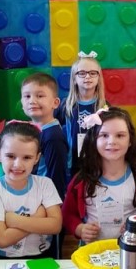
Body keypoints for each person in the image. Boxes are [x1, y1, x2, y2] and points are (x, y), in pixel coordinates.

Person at [62, 107, 136, 242]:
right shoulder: (81, 180)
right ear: (94, 139)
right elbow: (67, 214)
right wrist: (80, 229)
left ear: (130, 140)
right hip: (93, 251)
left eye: (120, 135)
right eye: (104, 135)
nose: (112, 141)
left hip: (130, 251)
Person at [0, 121, 62, 258]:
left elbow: (55, 226)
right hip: (5, 260)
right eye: (10, 156)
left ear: (37, 158)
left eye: (27, 157)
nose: (18, 165)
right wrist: (39, 217)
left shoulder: (45, 184)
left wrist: (16, 221)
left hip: (42, 256)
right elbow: (2, 240)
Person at [56, 50, 108, 181]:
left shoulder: (104, 107)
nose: (87, 77)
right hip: (72, 163)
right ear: (74, 78)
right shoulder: (65, 106)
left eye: (93, 73)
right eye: (82, 73)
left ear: (99, 78)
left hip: (98, 162)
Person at [21, 72, 68, 201]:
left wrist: (53, 205)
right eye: (27, 96)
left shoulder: (53, 137)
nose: (32, 101)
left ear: (55, 103)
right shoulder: (32, 129)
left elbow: (57, 176)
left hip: (43, 199)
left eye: (40, 96)